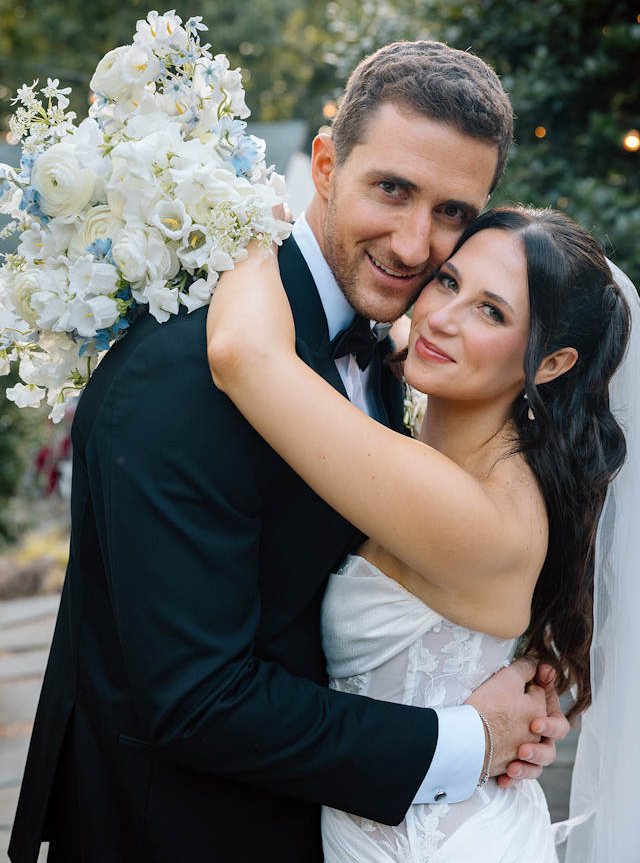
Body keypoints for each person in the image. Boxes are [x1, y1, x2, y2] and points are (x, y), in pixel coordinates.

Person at [9, 42, 569, 863]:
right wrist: (469, 740)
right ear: (326, 164)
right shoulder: (184, 375)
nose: (415, 245)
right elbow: (198, 701)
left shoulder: (394, 354)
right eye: (391, 189)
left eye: (452, 211)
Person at [206, 205, 630, 861]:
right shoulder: (449, 428)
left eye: (492, 312)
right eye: (448, 281)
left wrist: (239, 212)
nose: (441, 318)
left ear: (551, 364)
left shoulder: (483, 515)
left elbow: (241, 354)